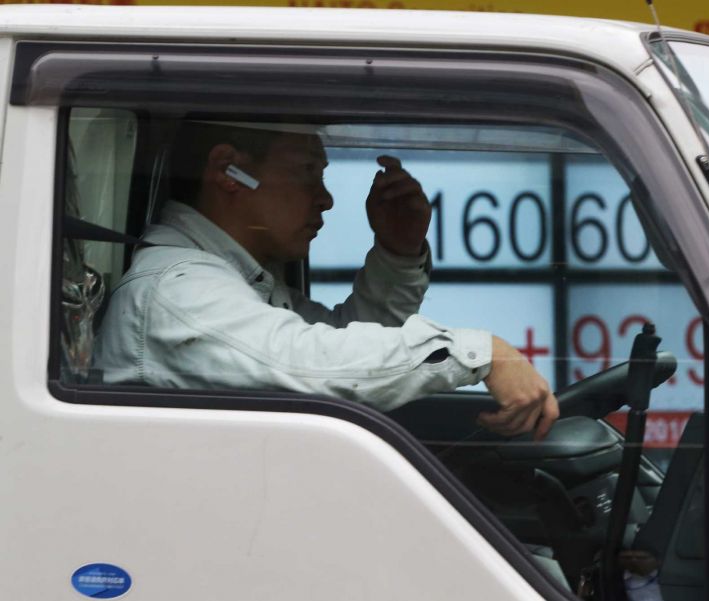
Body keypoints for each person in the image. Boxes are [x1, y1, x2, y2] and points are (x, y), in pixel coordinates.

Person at [95, 121, 559, 439]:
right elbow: (306, 365)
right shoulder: (176, 289)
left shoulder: (235, 281)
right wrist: (481, 354)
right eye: (306, 174)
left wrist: (397, 254)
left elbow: (344, 345)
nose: (326, 199)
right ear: (227, 172)